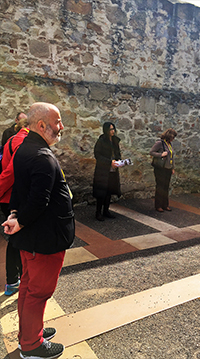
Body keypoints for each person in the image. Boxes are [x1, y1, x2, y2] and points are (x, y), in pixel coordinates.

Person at [3, 102, 72, 359]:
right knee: (38, 291)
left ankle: (31, 333)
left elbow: (20, 189)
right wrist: (19, 221)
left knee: (29, 288)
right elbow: (38, 200)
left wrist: (13, 215)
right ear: (41, 125)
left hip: (33, 238)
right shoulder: (41, 155)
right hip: (44, 239)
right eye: (57, 122)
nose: (61, 127)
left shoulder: (24, 148)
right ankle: (31, 346)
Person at [0, 112, 27, 296]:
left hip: (9, 197)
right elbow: (10, 173)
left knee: (16, 240)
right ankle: (14, 281)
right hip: (12, 198)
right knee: (17, 241)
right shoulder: (22, 142)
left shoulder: (13, 139)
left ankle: (14, 280)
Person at [92, 122, 123, 221]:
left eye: (113, 129)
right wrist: (109, 162)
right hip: (103, 170)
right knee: (101, 192)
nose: (112, 131)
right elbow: (97, 155)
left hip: (113, 170)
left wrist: (118, 161)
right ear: (106, 130)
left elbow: (117, 153)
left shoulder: (115, 141)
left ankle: (106, 210)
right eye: (110, 129)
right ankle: (98, 213)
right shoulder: (101, 141)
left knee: (109, 191)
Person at [150, 129, 177, 212]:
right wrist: (161, 154)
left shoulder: (169, 144)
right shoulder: (160, 143)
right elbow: (151, 152)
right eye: (172, 137)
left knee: (166, 187)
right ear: (168, 136)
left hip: (168, 168)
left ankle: (165, 205)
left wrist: (172, 168)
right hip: (160, 168)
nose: (173, 139)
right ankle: (158, 205)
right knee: (160, 187)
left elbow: (171, 156)